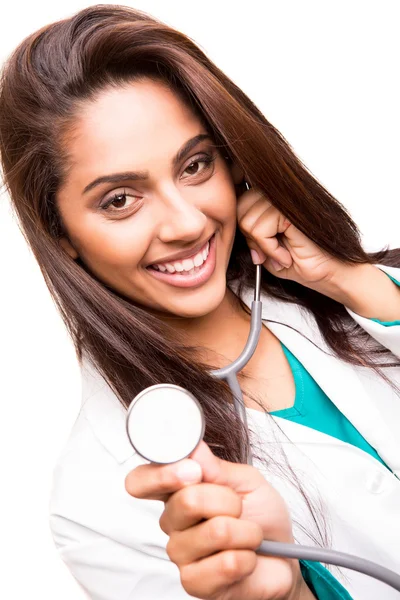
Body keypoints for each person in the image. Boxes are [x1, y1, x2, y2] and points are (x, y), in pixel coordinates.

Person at [0, 4, 399, 600]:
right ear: (61, 236)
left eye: (194, 165)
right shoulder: (96, 509)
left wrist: (356, 283)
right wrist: (292, 596)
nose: (187, 222)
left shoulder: (349, 292)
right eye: (119, 200)